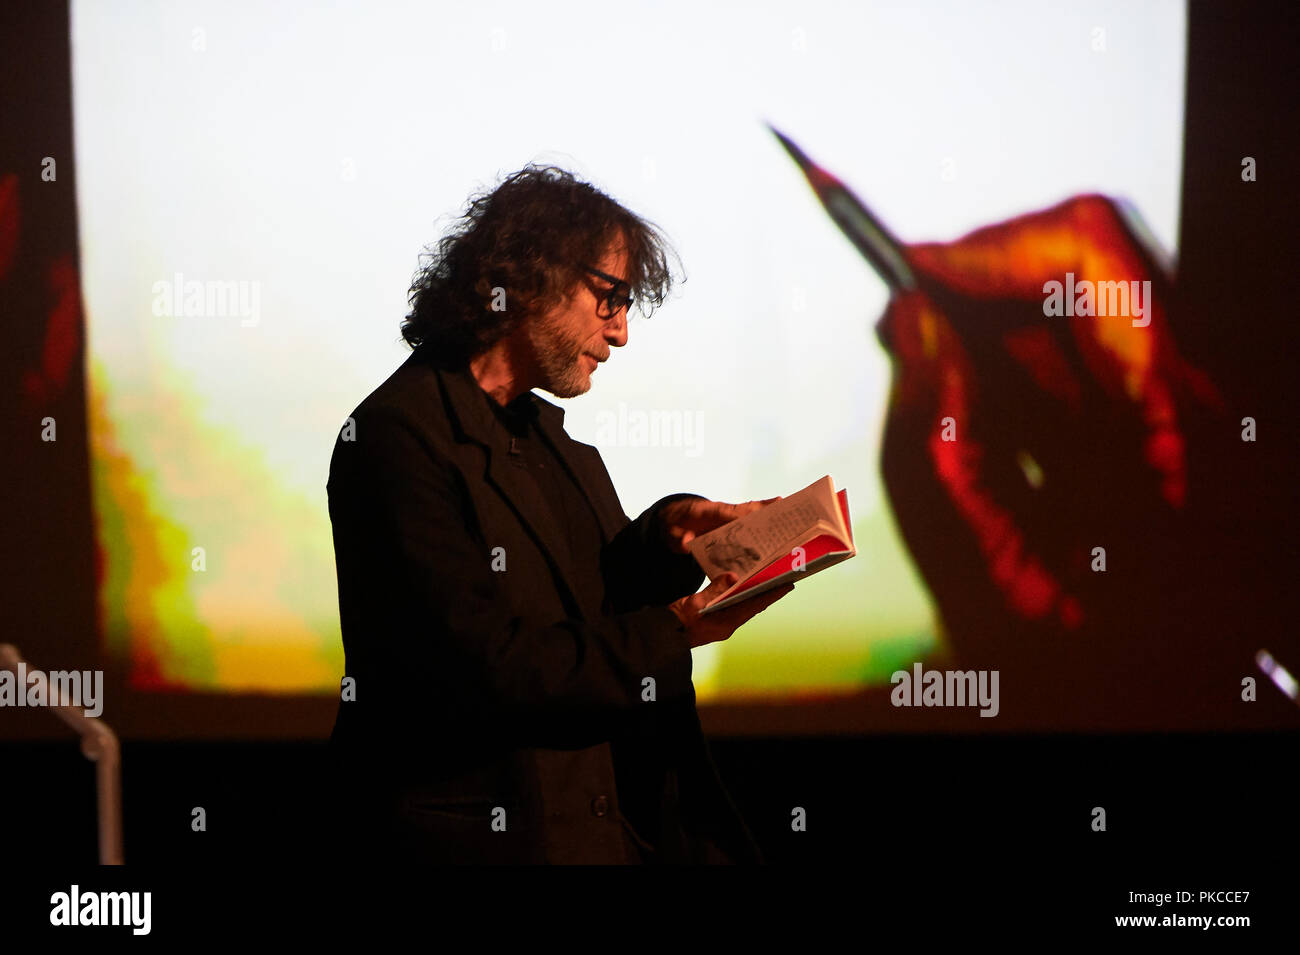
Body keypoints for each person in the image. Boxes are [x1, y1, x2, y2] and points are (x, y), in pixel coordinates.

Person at [326, 164, 792, 864]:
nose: (622, 332)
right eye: (609, 297)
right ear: (530, 275)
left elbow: (590, 599)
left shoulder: (548, 436)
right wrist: (679, 627)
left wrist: (673, 537)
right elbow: (490, 666)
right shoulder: (396, 438)